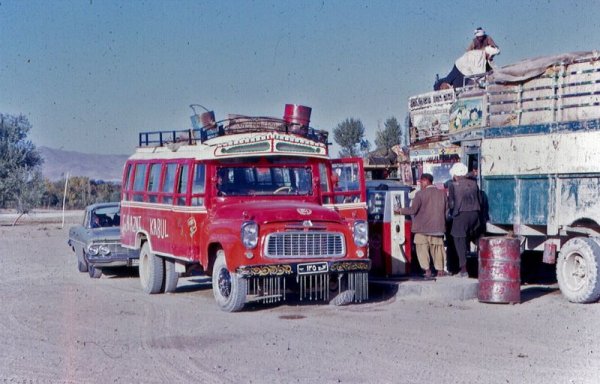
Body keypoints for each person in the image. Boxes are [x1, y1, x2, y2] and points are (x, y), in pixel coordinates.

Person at [394, 173, 448, 278]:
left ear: (426, 181)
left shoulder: (420, 194)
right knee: (438, 249)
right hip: (438, 228)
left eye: (421, 182)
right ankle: (440, 270)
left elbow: (413, 210)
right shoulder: (442, 194)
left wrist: (399, 210)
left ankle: (427, 271)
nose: (420, 184)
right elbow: (446, 211)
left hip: (422, 228)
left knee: (422, 249)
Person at [448, 163, 481, 277]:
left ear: (455, 175)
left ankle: (463, 270)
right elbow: (480, 200)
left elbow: (451, 203)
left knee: (459, 241)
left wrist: (451, 213)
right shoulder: (474, 183)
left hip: (461, 215)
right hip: (475, 214)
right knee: (478, 240)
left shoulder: (453, 185)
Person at [434, 46, 500, 90]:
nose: (493, 57)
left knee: (451, 83)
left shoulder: (484, 57)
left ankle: (438, 84)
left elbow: (492, 67)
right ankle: (437, 85)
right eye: (493, 55)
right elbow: (478, 71)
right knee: (450, 84)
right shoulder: (479, 56)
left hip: (463, 69)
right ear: (489, 54)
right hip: (461, 69)